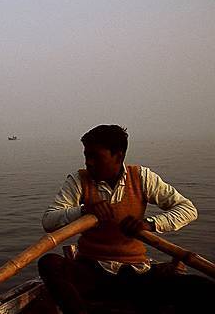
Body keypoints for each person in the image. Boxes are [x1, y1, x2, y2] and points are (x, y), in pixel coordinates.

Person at [38, 124, 214, 313]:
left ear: (118, 156)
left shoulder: (142, 177)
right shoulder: (79, 180)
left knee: (203, 287)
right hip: (91, 270)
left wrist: (149, 224)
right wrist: (83, 211)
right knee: (49, 263)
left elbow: (187, 209)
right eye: (86, 156)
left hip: (136, 272)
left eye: (95, 156)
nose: (88, 162)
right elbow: (49, 221)